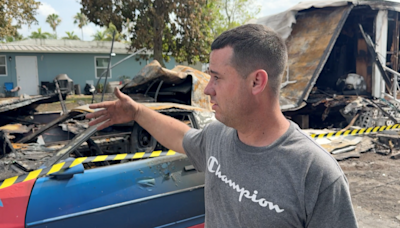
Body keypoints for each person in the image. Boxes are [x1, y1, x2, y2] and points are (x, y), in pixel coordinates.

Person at [86, 24, 358, 228]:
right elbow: (181, 136)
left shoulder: (316, 174)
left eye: (216, 77)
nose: (207, 89)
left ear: (256, 82)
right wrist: (136, 111)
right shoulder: (218, 136)